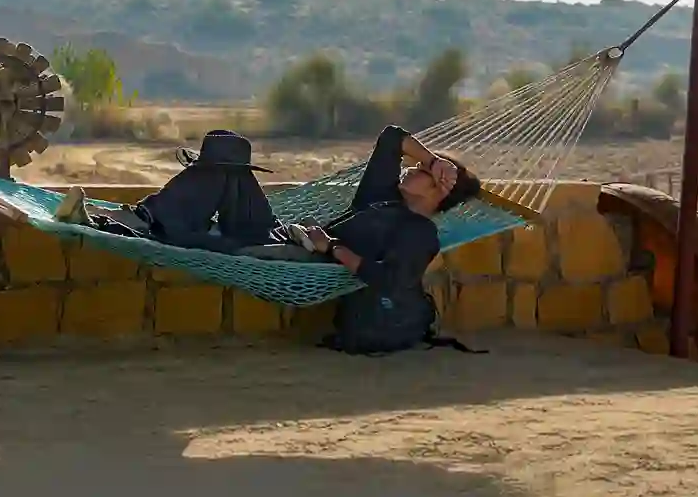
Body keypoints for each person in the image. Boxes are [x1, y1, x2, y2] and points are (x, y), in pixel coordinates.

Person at [52, 124, 481, 352]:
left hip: (310, 260)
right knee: (227, 155)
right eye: (423, 166)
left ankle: (106, 225)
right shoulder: (382, 195)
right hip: (286, 234)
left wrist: (331, 248)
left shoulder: (419, 232)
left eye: (425, 173)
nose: (415, 169)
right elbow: (391, 138)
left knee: (222, 250)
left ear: (439, 193)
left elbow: (389, 280)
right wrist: (434, 158)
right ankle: (144, 218)